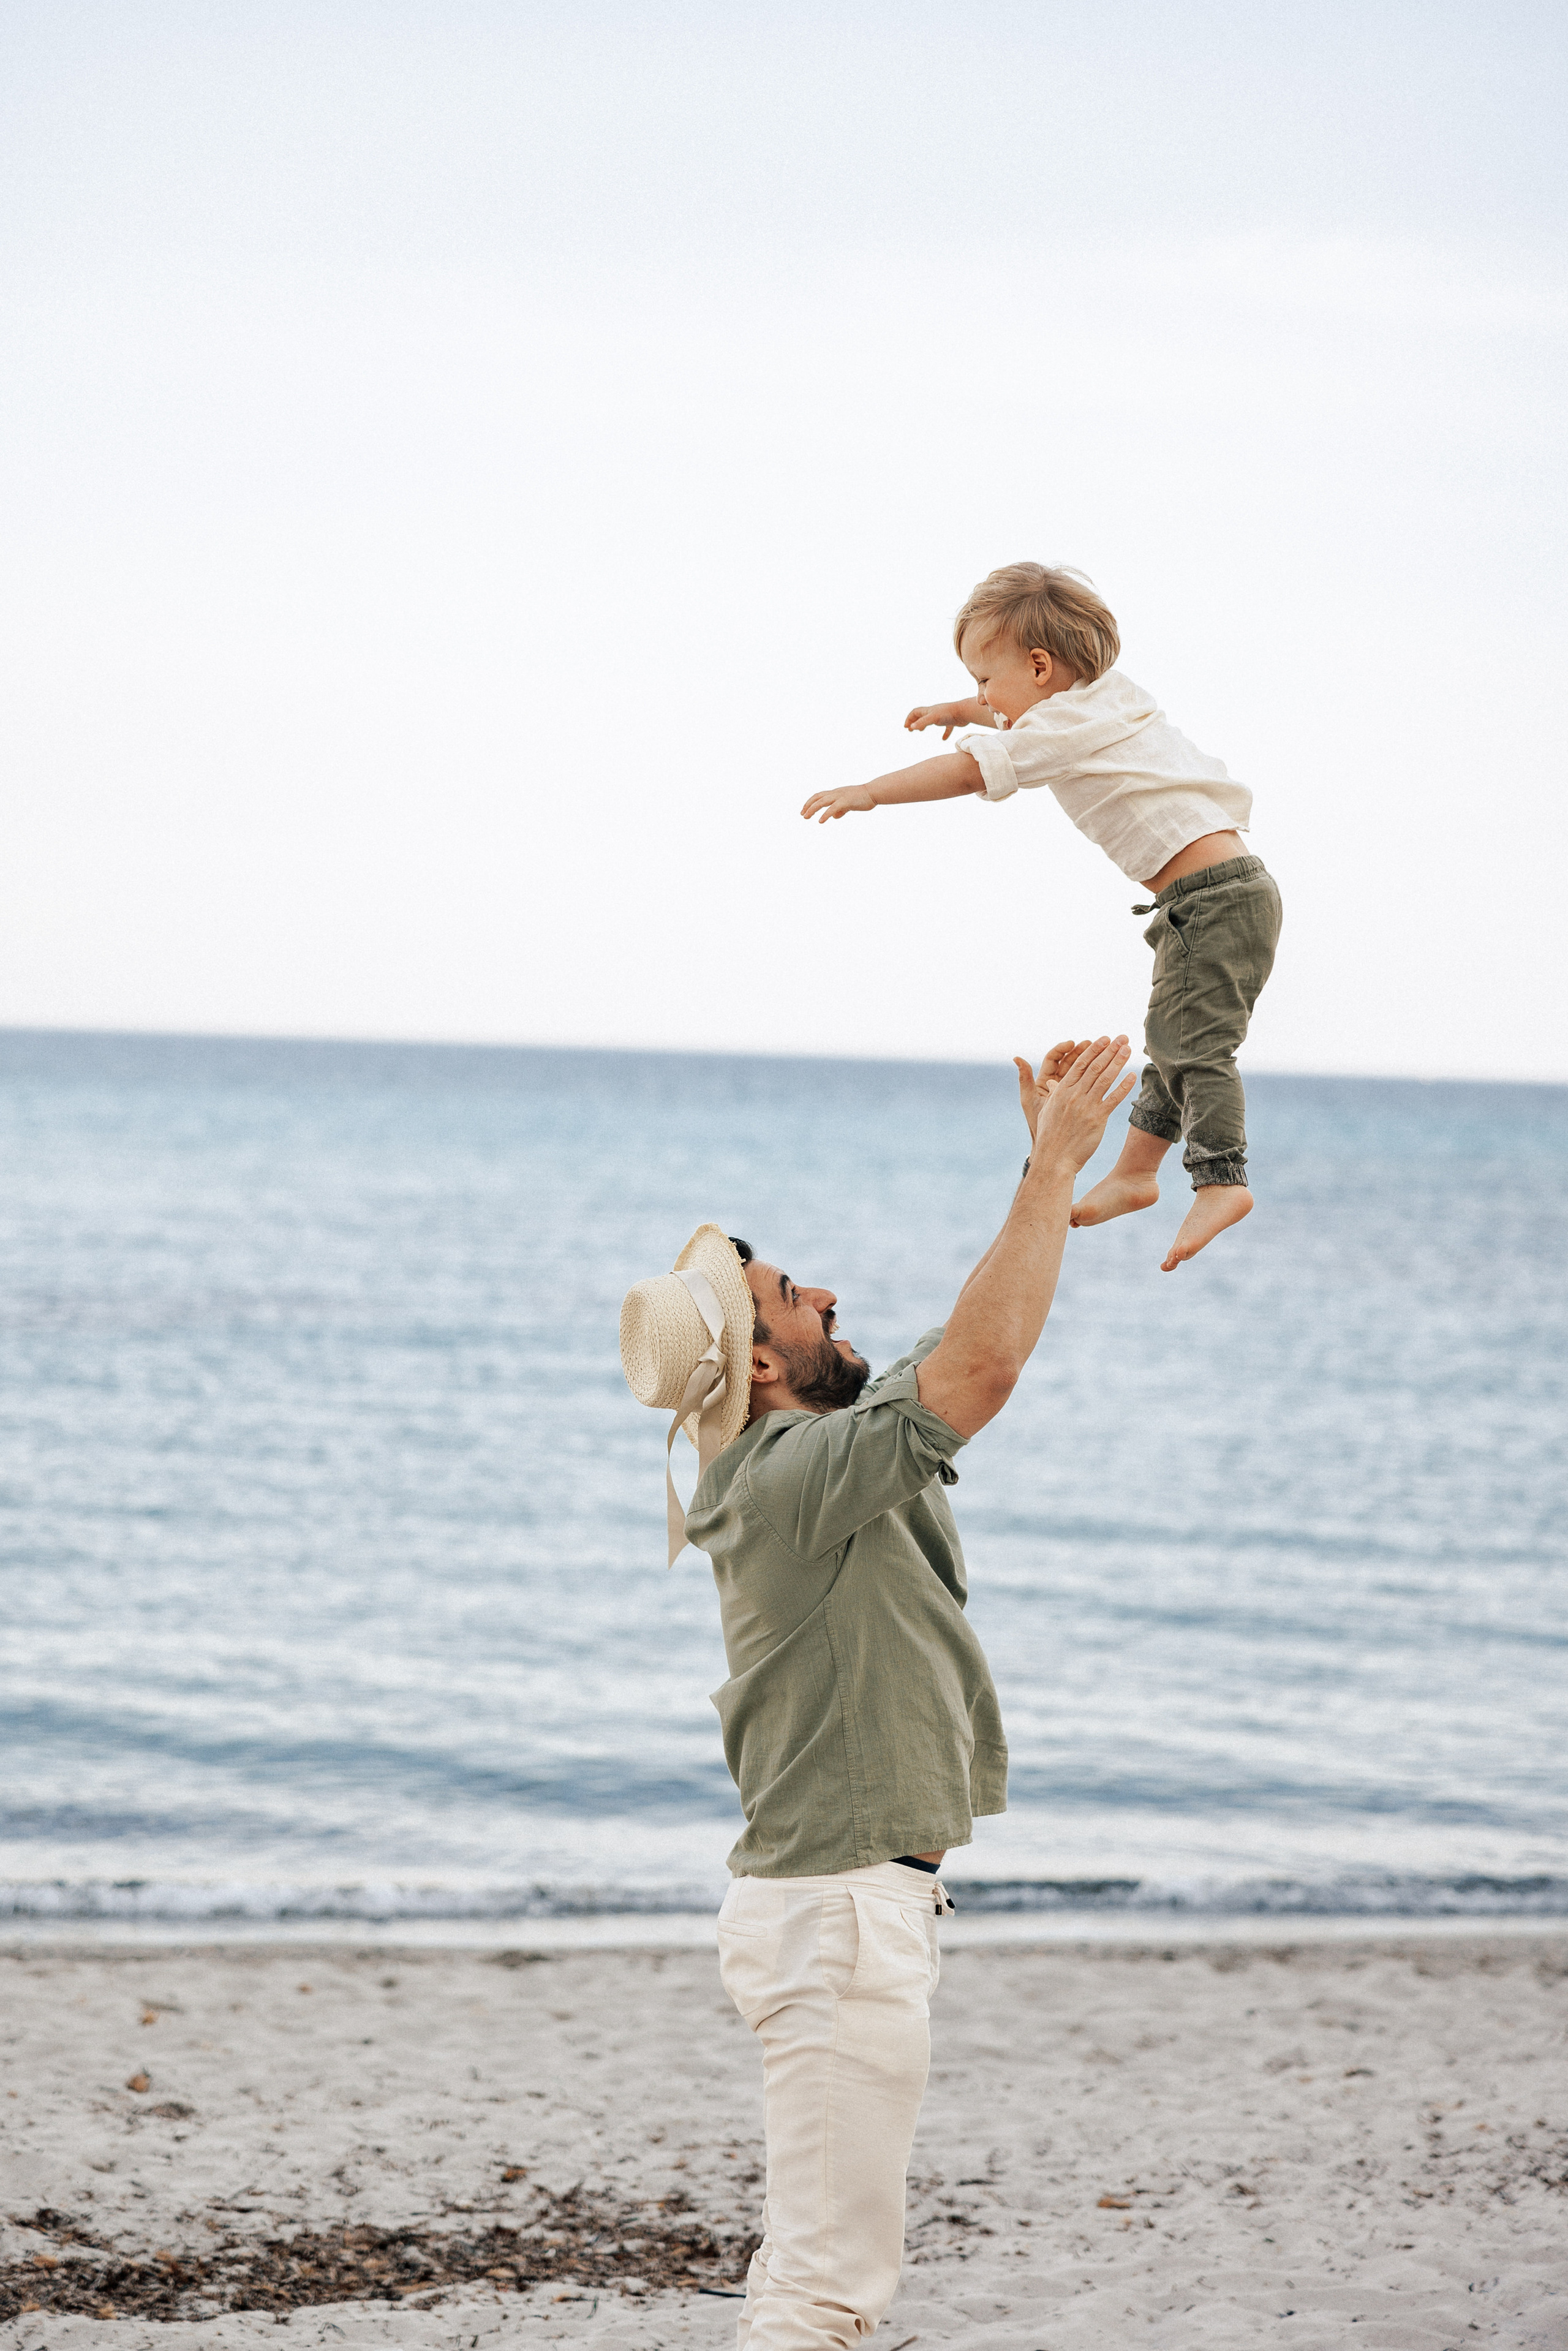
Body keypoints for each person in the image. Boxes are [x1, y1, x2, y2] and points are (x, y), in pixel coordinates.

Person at [618, 1035, 1134, 2351]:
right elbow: (981, 1375)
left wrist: (1042, 1171)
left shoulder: (810, 1451)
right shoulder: (792, 1480)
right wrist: (1059, 1162)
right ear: (767, 1364)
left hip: (838, 1904)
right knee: (823, 2292)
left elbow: (966, 1344)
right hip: (837, 1912)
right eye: (796, 1293)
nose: (828, 1291)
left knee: (815, 2267)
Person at [800, 561, 1283, 1272]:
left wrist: (872, 791)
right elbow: (1015, 711)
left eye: (983, 681)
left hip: (1211, 899)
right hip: (1214, 896)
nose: (982, 699)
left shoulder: (1059, 727)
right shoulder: (1103, 698)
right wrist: (959, 711)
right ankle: (1135, 1172)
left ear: (1037, 665)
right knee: (1172, 1038)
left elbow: (974, 771)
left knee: (1196, 1049)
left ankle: (1220, 1180)